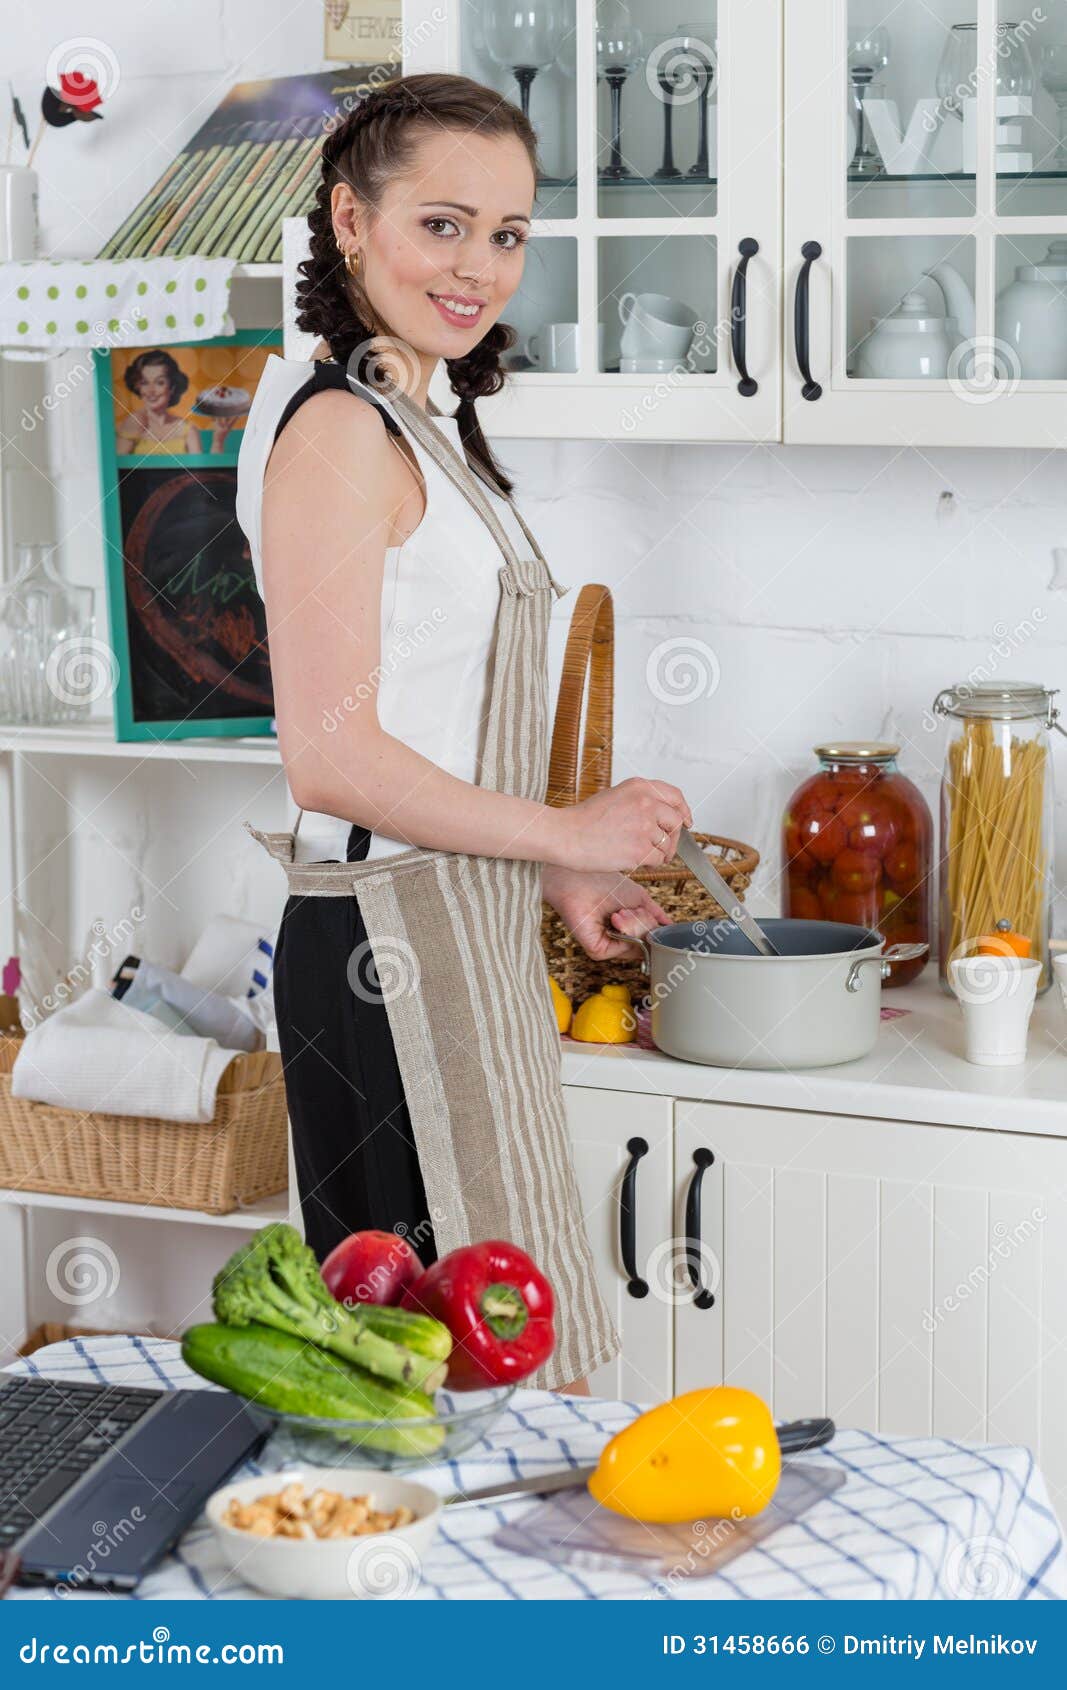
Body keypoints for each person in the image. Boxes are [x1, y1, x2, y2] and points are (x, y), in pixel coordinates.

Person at [235, 73, 691, 1394]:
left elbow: (430, 715)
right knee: (424, 1376)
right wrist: (566, 823)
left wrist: (551, 867)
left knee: (493, 1353)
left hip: (459, 928)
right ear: (350, 221)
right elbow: (331, 755)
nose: (480, 265)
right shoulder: (337, 435)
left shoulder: (424, 419)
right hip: (380, 949)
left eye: (508, 233)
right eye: (443, 224)